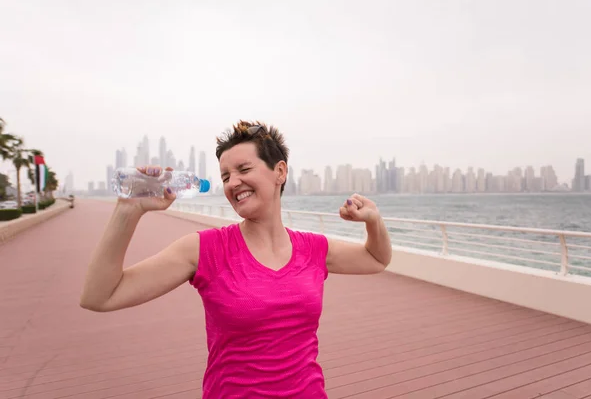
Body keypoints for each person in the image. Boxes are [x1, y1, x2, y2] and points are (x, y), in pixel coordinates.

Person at [80, 121, 392, 398]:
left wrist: (373, 220)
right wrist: (128, 210)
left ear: (279, 172)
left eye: (243, 170)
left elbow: (376, 259)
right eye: (226, 176)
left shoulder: (313, 249)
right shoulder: (205, 249)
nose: (232, 183)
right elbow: (101, 295)